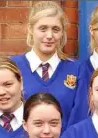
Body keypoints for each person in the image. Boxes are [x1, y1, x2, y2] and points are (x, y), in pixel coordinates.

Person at [10, 0, 82, 130]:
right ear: (31, 29)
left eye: (55, 29)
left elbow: (79, 118)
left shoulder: (77, 69)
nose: (49, 36)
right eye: (43, 28)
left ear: (62, 32)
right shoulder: (13, 67)